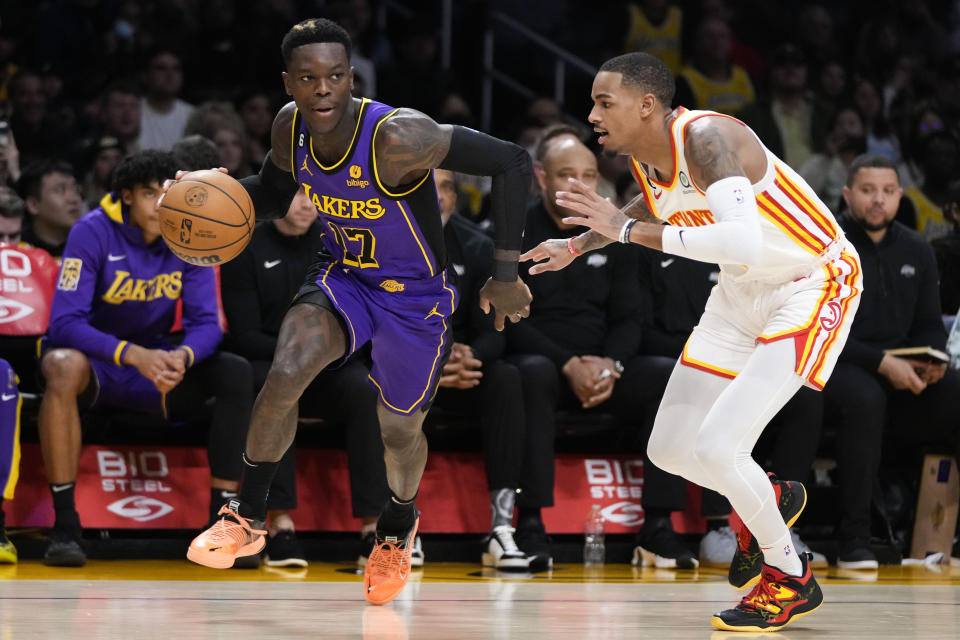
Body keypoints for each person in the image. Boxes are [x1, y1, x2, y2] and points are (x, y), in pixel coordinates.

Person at [185, 19, 532, 607]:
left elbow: (513, 162)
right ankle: (247, 515)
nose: (323, 89)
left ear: (352, 78)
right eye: (309, 77)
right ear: (289, 83)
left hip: (416, 298)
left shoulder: (399, 136)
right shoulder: (289, 128)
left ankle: (396, 528)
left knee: (398, 431)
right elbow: (270, 196)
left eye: (336, 76)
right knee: (285, 372)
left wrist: (504, 272)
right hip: (343, 276)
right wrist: (208, 195)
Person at [522, 52, 861, 632]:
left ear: (647, 105)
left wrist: (622, 231)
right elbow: (653, 202)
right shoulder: (647, 160)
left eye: (606, 102)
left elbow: (742, 243)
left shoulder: (706, 137)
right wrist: (577, 246)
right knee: (672, 449)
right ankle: (771, 499)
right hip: (740, 294)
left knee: (720, 447)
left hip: (809, 283)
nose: (592, 114)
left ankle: (789, 578)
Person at [38, 150, 250, 567]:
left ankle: (223, 526)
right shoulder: (91, 231)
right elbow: (63, 323)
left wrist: (182, 358)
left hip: (156, 363)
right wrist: (131, 355)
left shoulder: (190, 235)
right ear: (127, 195)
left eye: (167, 192)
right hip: (99, 362)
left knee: (235, 372)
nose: (160, 204)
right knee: (62, 363)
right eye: (150, 193)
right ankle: (64, 526)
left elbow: (208, 323)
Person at [511, 124, 696, 570]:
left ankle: (658, 526)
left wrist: (611, 365)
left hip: (604, 366)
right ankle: (531, 522)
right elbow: (510, 320)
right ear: (541, 177)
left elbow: (630, 317)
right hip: (547, 362)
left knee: (666, 374)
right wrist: (568, 364)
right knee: (527, 372)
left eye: (590, 176)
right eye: (566, 175)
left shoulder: (615, 233)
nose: (580, 185)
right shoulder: (513, 230)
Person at [220, 189, 390, 568]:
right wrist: (298, 361)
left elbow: (359, 323)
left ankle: (372, 529)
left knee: (366, 388)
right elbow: (244, 334)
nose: (306, 202)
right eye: (295, 192)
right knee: (281, 386)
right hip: (271, 362)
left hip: (330, 367)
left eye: (314, 194)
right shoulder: (245, 248)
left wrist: (317, 358)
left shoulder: (338, 245)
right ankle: (279, 525)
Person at [825, 154, 960, 570]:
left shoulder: (917, 247)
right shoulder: (828, 244)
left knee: (956, 388)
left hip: (902, 374)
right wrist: (882, 362)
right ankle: (854, 539)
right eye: (867, 191)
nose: (878, 200)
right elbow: (823, 327)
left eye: (887, 191)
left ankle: (949, 534)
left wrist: (933, 360)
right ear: (848, 194)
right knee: (865, 398)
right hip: (837, 366)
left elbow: (927, 324)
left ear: (901, 196)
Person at [429, 168, 531, 570]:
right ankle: (399, 524)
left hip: (464, 369)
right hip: (411, 365)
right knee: (384, 380)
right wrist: (435, 363)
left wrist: (467, 356)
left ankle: (502, 525)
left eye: (447, 188)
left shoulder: (477, 245)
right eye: (428, 187)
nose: (438, 197)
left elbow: (496, 327)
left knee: (507, 376)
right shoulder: (382, 243)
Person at [17, 159, 85, 257]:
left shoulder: (91, 245)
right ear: (33, 205)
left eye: (75, 189)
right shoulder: (18, 251)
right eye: (60, 190)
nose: (74, 199)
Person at [136, 48, 194, 152]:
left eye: (176, 68)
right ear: (145, 75)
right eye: (161, 68)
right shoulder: (132, 112)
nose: (170, 74)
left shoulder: (193, 115)